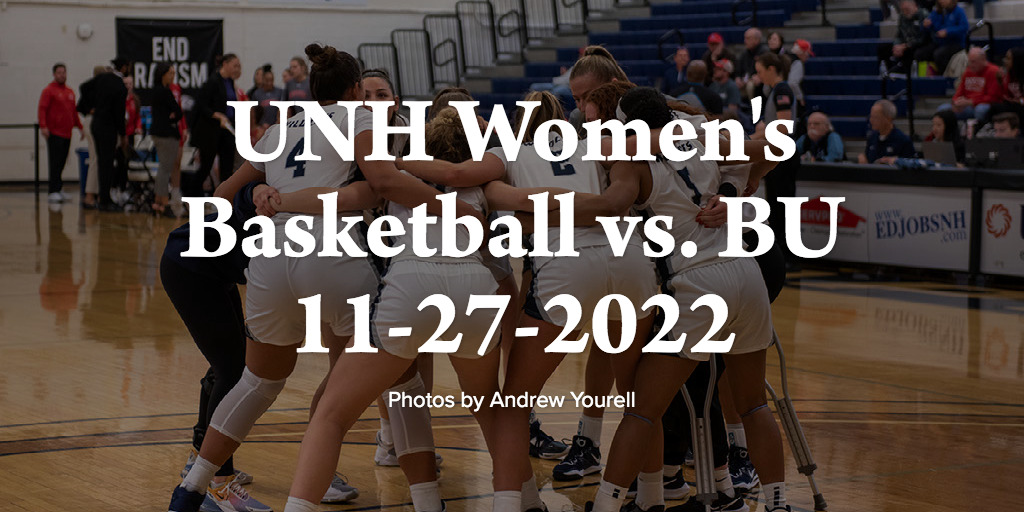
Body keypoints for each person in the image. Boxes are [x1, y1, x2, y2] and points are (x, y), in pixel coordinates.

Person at [169, 42, 480, 512]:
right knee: (402, 379)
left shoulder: (279, 129)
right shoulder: (360, 118)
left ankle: (190, 490)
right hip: (334, 253)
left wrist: (265, 196)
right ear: (355, 88)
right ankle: (425, 500)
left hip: (272, 259)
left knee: (258, 381)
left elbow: (225, 193)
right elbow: (384, 182)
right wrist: (449, 207)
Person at [398, 89, 659, 512]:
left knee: (515, 402)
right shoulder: (596, 142)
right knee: (639, 400)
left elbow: (459, 175)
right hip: (631, 261)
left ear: (517, 124)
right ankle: (647, 497)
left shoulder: (506, 154)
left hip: (567, 264)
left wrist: (392, 164)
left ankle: (517, 503)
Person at [576, 86, 788, 512]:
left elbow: (613, 204)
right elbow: (768, 151)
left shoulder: (632, 161)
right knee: (753, 404)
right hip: (746, 275)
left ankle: (606, 504)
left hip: (696, 284)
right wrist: (733, 192)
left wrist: (544, 207)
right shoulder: (699, 137)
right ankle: (778, 502)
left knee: (641, 409)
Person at [189, 53, 241, 198]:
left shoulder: (230, 82)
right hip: (211, 130)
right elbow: (201, 105)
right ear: (225, 64)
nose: (237, 69)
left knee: (227, 167)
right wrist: (217, 115)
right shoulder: (212, 81)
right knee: (206, 166)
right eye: (235, 65)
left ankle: (225, 199)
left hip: (227, 129)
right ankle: (192, 196)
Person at [38, 62, 83, 203]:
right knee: (55, 162)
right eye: (59, 73)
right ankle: (53, 191)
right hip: (54, 133)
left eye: (64, 72)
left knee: (62, 162)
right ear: (54, 74)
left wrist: (80, 127)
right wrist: (43, 126)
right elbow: (42, 109)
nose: (62, 75)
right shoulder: (48, 91)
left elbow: (73, 112)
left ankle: (58, 188)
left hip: (67, 133)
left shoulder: (70, 92)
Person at [90, 57, 129, 211]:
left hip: (97, 124)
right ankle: (105, 200)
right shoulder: (118, 85)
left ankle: (103, 197)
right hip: (107, 127)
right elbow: (119, 113)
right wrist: (123, 134)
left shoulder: (101, 82)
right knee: (106, 164)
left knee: (103, 163)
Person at [149, 63, 183, 214]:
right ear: (162, 74)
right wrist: (172, 117)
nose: (173, 76)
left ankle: (158, 200)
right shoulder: (164, 91)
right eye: (170, 73)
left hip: (158, 132)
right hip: (166, 134)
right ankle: (162, 201)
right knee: (165, 168)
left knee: (164, 167)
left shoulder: (155, 91)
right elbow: (178, 112)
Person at [938, 47, 1002, 120]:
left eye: (973, 62)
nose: (970, 64)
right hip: (967, 106)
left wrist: (972, 102)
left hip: (984, 105)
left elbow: (993, 98)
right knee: (943, 109)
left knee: (980, 109)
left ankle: (979, 126)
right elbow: (959, 92)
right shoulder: (968, 71)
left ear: (983, 60)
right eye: (969, 61)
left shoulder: (993, 71)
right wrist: (956, 103)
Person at [878, 0, 931, 75]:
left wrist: (905, 46)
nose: (905, 12)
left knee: (915, 53)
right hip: (905, 45)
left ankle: (908, 73)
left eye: (907, 9)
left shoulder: (923, 15)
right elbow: (899, 35)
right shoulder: (903, 17)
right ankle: (888, 72)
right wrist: (896, 45)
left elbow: (922, 38)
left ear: (915, 7)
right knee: (883, 48)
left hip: (918, 45)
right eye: (903, 10)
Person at [916, 0, 968, 75]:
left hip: (955, 44)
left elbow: (964, 27)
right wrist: (925, 25)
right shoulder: (936, 12)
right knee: (920, 54)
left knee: (939, 55)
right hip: (939, 43)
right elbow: (927, 27)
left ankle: (943, 77)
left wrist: (947, 32)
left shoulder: (958, 11)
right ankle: (921, 77)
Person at [859, 99, 916, 164]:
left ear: (888, 118)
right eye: (871, 116)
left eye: (876, 117)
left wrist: (896, 161)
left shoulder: (903, 140)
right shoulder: (872, 138)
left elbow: (911, 164)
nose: (871, 120)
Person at [735, 28, 768, 99]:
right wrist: (738, 78)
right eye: (745, 38)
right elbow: (738, 69)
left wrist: (760, 76)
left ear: (757, 40)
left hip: (759, 81)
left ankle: (754, 106)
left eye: (748, 38)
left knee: (750, 86)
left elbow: (768, 69)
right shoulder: (744, 53)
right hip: (746, 79)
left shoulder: (764, 52)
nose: (745, 41)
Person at [786, 40, 813, 108]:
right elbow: (792, 83)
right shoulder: (798, 63)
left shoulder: (786, 58)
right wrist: (800, 98)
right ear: (801, 52)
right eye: (807, 53)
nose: (808, 56)